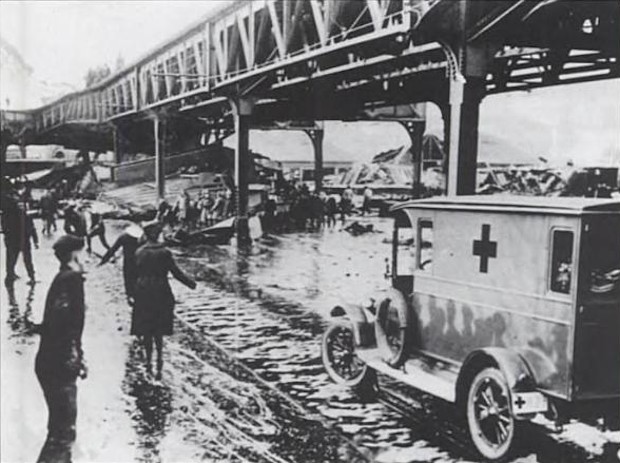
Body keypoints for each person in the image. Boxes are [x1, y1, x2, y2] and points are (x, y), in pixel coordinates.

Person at [35, 235, 88, 463]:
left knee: (58, 427)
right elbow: (66, 321)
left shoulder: (62, 278)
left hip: (49, 359)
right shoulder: (72, 279)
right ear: (75, 255)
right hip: (60, 360)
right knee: (64, 431)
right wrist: (75, 354)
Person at [133, 220, 196, 379]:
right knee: (158, 326)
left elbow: (134, 273)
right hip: (160, 289)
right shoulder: (164, 252)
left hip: (143, 290)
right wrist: (190, 283)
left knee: (146, 326)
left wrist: (133, 292)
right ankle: (159, 356)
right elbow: (175, 272)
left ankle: (148, 359)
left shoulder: (139, 251)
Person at [99, 223, 144, 305]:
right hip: (140, 260)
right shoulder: (141, 239)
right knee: (138, 277)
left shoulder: (123, 237)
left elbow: (113, 249)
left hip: (128, 260)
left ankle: (130, 295)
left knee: (128, 278)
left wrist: (104, 260)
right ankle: (139, 295)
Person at [4, 198, 39, 285]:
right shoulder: (24, 215)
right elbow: (31, 228)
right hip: (24, 240)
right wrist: (35, 240)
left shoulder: (8, 216)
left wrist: (7, 241)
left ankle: (10, 275)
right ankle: (32, 277)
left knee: (11, 259)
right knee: (27, 260)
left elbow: (6, 230)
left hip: (13, 242)